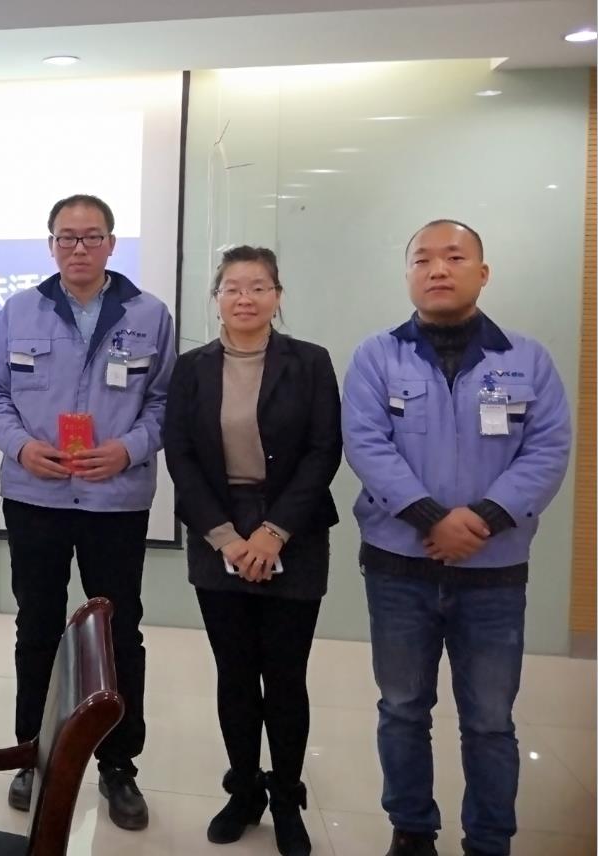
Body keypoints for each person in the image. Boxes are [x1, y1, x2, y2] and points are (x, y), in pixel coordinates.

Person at [341, 220, 571, 856]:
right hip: (398, 569)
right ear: (408, 275)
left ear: (483, 272)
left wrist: (487, 519)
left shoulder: (527, 359)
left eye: (454, 257)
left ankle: (489, 840)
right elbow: (366, 444)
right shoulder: (376, 356)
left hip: (494, 572)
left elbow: (548, 449)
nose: (437, 269)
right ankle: (412, 829)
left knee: (490, 720)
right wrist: (430, 518)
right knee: (402, 707)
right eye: (422, 259)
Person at [0, 193, 174, 830]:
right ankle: (31, 754)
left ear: (112, 244)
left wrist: (127, 449)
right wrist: (21, 446)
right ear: (51, 244)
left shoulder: (149, 314)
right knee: (36, 626)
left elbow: (166, 401)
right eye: (67, 237)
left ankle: (118, 765)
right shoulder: (18, 311)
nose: (79, 247)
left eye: (92, 237)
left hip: (115, 499)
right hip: (35, 495)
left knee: (119, 633)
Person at [163, 246, 342, 856]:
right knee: (235, 674)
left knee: (285, 676)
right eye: (233, 287)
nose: (245, 298)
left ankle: (287, 796)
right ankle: (243, 790)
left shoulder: (310, 362)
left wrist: (274, 531)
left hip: (294, 528)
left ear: (277, 296)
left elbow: (324, 450)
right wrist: (225, 537)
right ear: (216, 298)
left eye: (258, 286)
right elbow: (181, 455)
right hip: (218, 528)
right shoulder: (191, 368)